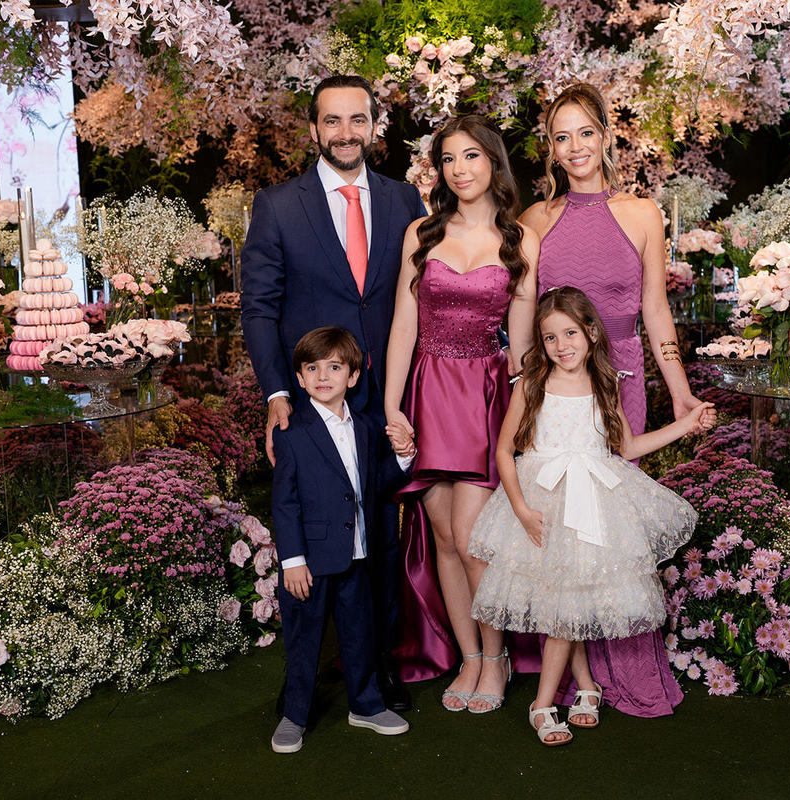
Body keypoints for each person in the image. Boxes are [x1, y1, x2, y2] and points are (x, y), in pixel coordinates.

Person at [518, 82, 705, 717]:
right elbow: (526, 316)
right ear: (550, 148)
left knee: (612, 530)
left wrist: (680, 392)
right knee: (566, 531)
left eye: (585, 133)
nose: (575, 147)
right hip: (559, 391)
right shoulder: (536, 220)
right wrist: (524, 386)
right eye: (561, 137)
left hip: (621, 381)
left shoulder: (644, 214)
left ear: (605, 136)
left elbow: (656, 310)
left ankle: (617, 667)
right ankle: (575, 675)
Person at [242, 75, 426, 711]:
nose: (346, 133)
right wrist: (276, 394)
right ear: (313, 129)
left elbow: (420, 296)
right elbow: (259, 309)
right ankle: (308, 676)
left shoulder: (405, 200)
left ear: (374, 126)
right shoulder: (277, 206)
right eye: (332, 121)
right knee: (322, 535)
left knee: (382, 539)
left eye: (358, 119)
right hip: (316, 400)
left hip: (386, 395)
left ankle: (375, 669)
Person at [468, 288, 716, 746]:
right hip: (543, 503)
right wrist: (521, 509)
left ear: (591, 333)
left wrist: (686, 424)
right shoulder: (530, 384)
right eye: (550, 338)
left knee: (571, 603)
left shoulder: (605, 385)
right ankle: (560, 697)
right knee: (565, 603)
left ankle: (561, 696)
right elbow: (505, 451)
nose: (561, 345)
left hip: (595, 505)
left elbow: (629, 447)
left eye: (570, 333)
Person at [384, 115, 538, 712]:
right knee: (444, 537)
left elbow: (522, 350)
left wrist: (524, 422)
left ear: (494, 162)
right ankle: (470, 658)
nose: (459, 169)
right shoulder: (421, 233)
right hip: (427, 392)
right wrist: (393, 405)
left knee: (474, 541)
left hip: (482, 398)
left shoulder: (520, 240)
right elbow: (404, 325)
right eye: (448, 159)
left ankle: (496, 660)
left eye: (471, 156)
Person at [269, 327, 418, 754]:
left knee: (359, 634)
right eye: (312, 368)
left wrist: (404, 456)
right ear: (300, 378)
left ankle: (366, 706)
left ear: (352, 376)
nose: (323, 376)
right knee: (304, 639)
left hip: (358, 554)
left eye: (334, 367)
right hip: (310, 562)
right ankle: (294, 715)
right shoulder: (291, 431)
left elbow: (376, 485)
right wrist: (293, 560)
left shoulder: (367, 427)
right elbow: (285, 502)